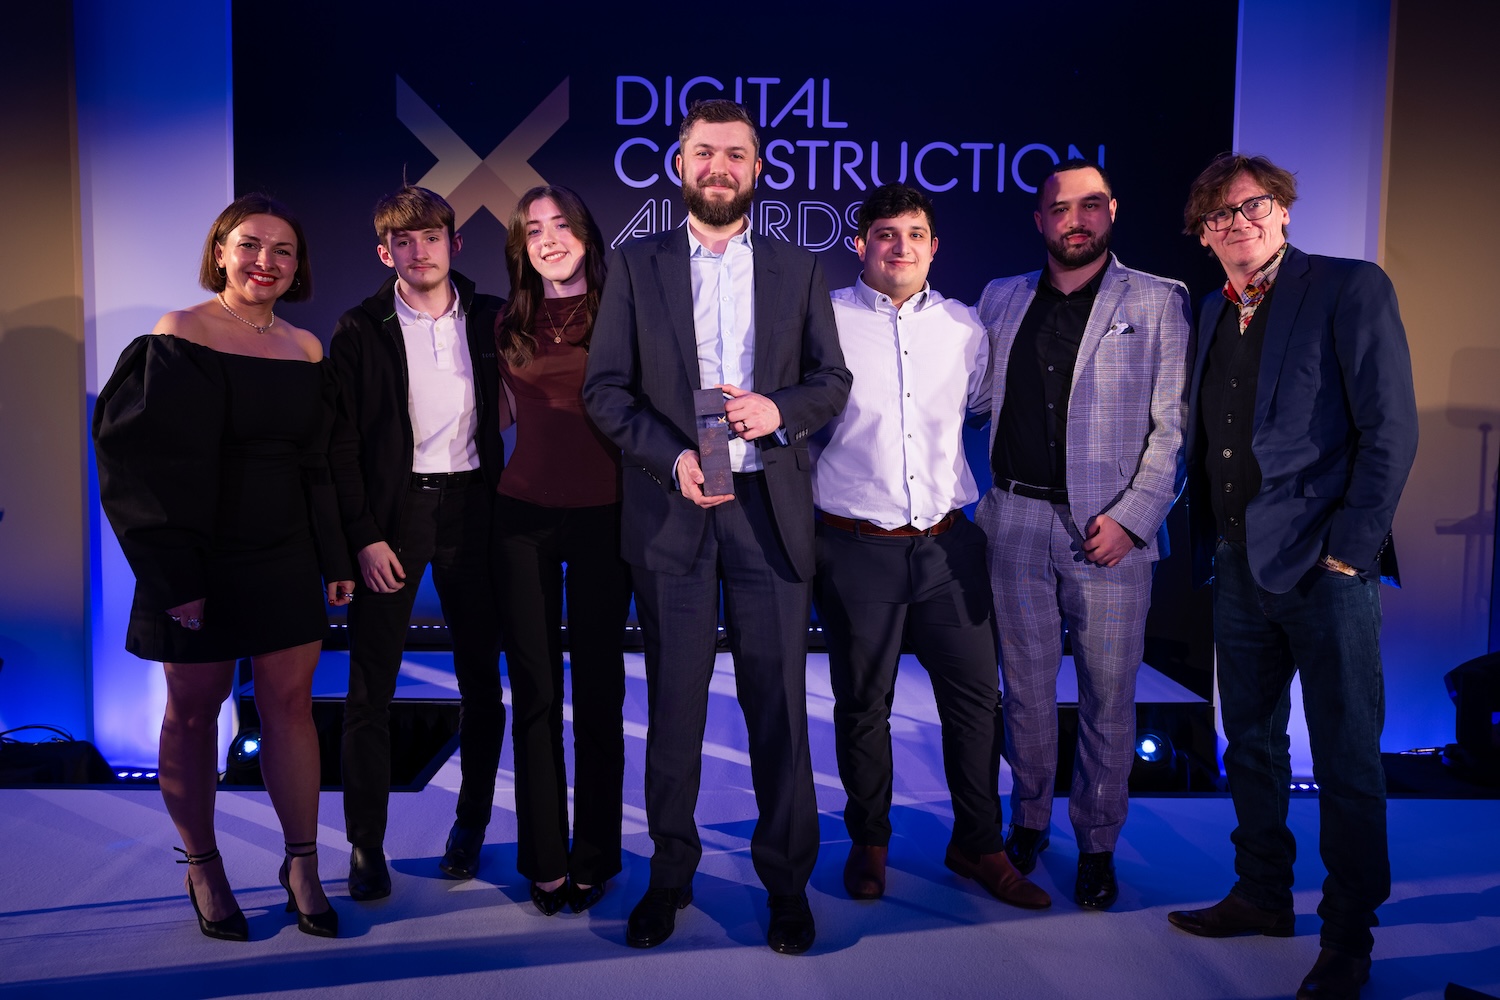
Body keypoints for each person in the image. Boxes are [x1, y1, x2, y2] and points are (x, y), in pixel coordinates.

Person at [583, 98, 850, 954]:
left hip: (770, 514)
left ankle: (786, 883)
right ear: (680, 165)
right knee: (674, 709)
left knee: (779, 708)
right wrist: (673, 458)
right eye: (704, 153)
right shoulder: (634, 265)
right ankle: (669, 876)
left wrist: (778, 411)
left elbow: (830, 382)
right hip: (676, 512)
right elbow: (606, 391)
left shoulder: (799, 266)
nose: (719, 167)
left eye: (736, 154)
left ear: (759, 169)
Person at [1167, 153, 1417, 1000]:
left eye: (1251, 207)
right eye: (1218, 218)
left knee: (1347, 757)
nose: (1236, 224)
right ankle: (1263, 894)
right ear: (1204, 238)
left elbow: (1390, 429)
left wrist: (1352, 546)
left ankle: (1349, 934)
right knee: (1253, 744)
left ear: (1283, 210)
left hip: (1327, 568)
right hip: (1238, 563)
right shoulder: (1211, 311)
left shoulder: (1350, 287)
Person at [93, 193, 353, 940]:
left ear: (298, 267)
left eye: (282, 251)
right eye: (249, 246)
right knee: (194, 712)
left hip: (285, 554)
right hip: (193, 555)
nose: (264, 262)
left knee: (290, 710)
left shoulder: (306, 349)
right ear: (219, 251)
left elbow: (320, 466)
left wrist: (332, 555)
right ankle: (202, 864)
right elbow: (136, 463)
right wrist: (176, 579)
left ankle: (301, 862)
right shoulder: (178, 334)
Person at [811, 183, 1049, 911]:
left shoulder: (966, 327)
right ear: (860, 244)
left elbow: (983, 412)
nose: (901, 246)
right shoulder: (821, 320)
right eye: (885, 233)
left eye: (916, 233)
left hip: (950, 546)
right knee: (863, 705)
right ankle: (869, 841)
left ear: (935, 246)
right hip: (855, 546)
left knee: (977, 704)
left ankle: (979, 844)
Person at [975, 159, 1190, 910]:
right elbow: (964, 398)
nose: (1077, 218)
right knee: (1026, 693)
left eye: (1091, 204)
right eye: (1060, 207)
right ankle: (1028, 819)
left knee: (1108, 696)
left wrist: (1133, 520)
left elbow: (1173, 430)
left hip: (1110, 533)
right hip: (1015, 522)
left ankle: (1098, 840)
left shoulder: (1159, 301)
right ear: (1039, 220)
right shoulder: (1000, 299)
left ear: (1112, 211)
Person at [328, 185, 507, 901]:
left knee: (480, 686)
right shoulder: (359, 328)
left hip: (475, 509)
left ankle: (470, 826)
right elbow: (338, 446)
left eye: (431, 236)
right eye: (403, 241)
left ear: (454, 243)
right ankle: (364, 844)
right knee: (370, 687)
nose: (419, 249)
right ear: (385, 252)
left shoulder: (494, 318)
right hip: (394, 516)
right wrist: (362, 538)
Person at [493, 185, 631, 917]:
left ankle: (595, 855)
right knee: (538, 693)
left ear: (585, 233)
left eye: (561, 225)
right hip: (520, 520)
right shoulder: (506, 322)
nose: (549, 239)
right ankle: (545, 859)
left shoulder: (625, 314)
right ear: (521, 244)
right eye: (533, 229)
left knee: (599, 693)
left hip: (609, 519)